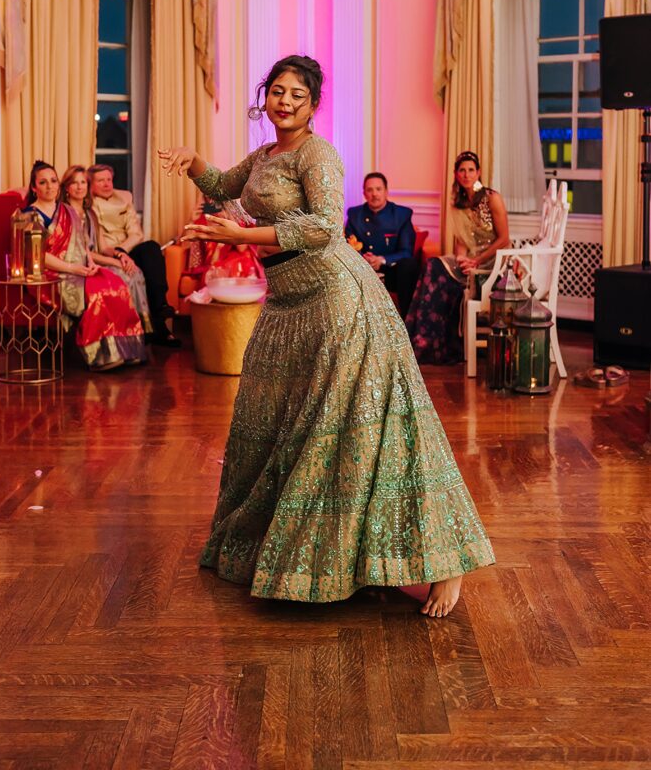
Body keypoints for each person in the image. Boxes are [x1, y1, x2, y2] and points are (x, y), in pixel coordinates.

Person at [158, 55, 494, 618]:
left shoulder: (319, 155)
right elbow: (222, 185)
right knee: (277, 422)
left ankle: (440, 561)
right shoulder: (266, 156)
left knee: (360, 426)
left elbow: (321, 227)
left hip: (338, 299)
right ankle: (316, 550)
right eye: (277, 91)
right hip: (288, 301)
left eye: (298, 94)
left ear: (313, 104)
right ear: (266, 97)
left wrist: (241, 233)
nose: (285, 101)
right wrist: (194, 164)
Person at [24, 161, 147, 371]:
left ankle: (126, 351)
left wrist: (89, 264)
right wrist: (73, 269)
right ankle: (100, 356)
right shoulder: (29, 215)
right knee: (98, 293)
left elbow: (82, 246)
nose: (49, 186)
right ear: (34, 187)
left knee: (116, 285)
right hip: (50, 276)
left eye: (53, 181)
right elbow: (38, 257)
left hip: (79, 269)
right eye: (43, 183)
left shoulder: (68, 212)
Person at [406, 150, 510, 365]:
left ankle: (428, 343)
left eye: (471, 170)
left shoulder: (492, 198)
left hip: (492, 263)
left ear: (478, 172)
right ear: (456, 174)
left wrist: (476, 261)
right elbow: (461, 243)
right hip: (470, 263)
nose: (466, 174)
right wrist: (462, 260)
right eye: (462, 170)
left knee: (436, 271)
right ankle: (424, 343)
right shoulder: (459, 203)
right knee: (433, 266)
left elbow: (504, 240)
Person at [87, 164, 180, 347]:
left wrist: (122, 252)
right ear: (91, 185)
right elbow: (97, 243)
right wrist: (116, 255)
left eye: (109, 179)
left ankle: (161, 306)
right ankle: (157, 328)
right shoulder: (88, 205)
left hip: (126, 250)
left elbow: (136, 234)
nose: (107, 184)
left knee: (151, 248)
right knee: (140, 266)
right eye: (100, 181)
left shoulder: (123, 200)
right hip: (104, 253)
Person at [60, 165, 152, 335]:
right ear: (66, 188)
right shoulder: (65, 214)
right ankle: (120, 331)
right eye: (74, 183)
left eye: (83, 183)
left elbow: (103, 247)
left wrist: (121, 255)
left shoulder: (90, 214)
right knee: (123, 274)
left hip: (97, 260)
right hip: (81, 265)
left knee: (134, 271)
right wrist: (115, 262)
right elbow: (84, 252)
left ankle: (139, 329)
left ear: (87, 187)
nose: (80, 187)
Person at [345, 172, 419, 315]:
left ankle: (406, 322)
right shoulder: (355, 214)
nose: (374, 194)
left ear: (386, 191)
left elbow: (406, 251)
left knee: (409, 264)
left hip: (391, 272)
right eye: (370, 190)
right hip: (362, 271)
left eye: (378, 189)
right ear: (364, 194)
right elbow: (348, 244)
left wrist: (382, 260)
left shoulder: (401, 214)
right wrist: (363, 259)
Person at [179, 197, 265, 298]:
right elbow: (186, 245)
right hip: (214, 264)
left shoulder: (236, 217)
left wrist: (231, 217)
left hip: (240, 260)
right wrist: (191, 221)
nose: (212, 200)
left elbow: (242, 248)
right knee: (219, 270)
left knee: (241, 263)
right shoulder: (202, 219)